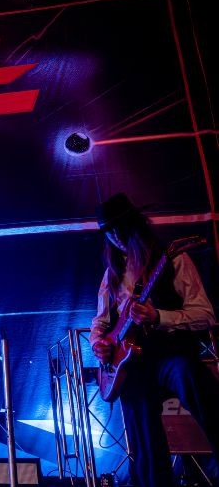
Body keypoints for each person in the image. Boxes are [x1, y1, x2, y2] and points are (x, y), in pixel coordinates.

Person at [89, 192, 218, 487]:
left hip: (172, 352)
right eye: (108, 232)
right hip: (134, 363)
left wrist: (158, 316)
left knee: (190, 375)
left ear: (135, 224)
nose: (116, 236)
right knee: (136, 407)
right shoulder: (111, 275)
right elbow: (100, 323)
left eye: (120, 228)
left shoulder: (172, 258)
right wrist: (99, 343)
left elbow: (206, 314)